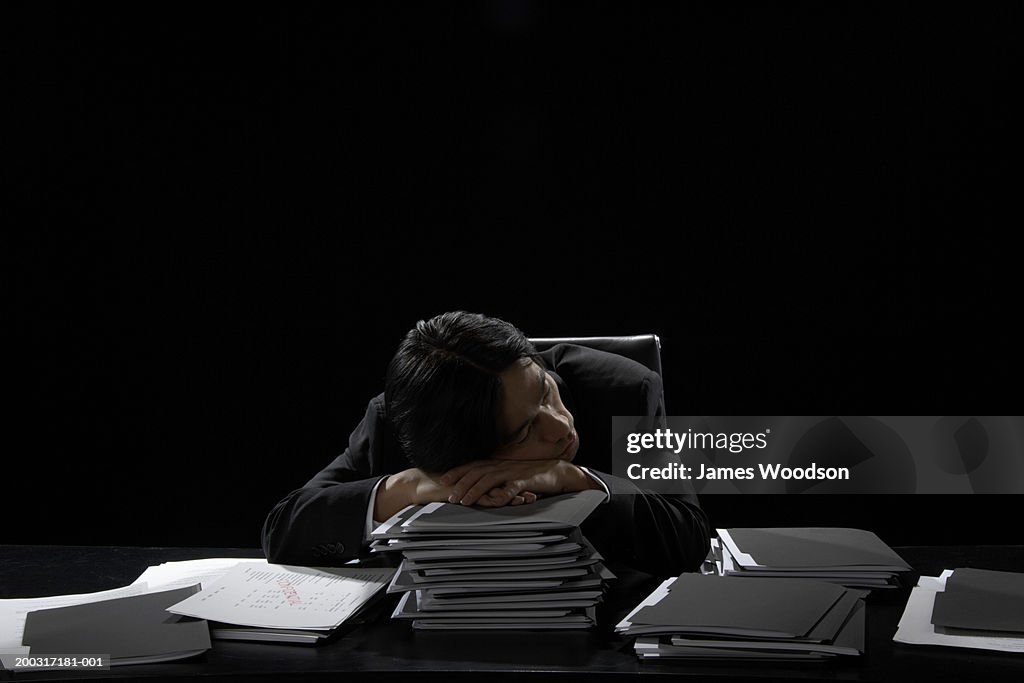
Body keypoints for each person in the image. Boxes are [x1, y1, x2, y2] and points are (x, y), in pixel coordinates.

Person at [261, 311, 710, 577]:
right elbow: (283, 530)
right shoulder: (394, 422)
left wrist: (574, 478)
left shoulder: (624, 391)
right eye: (520, 433)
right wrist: (411, 488)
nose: (559, 427)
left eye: (545, 391)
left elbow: (690, 538)